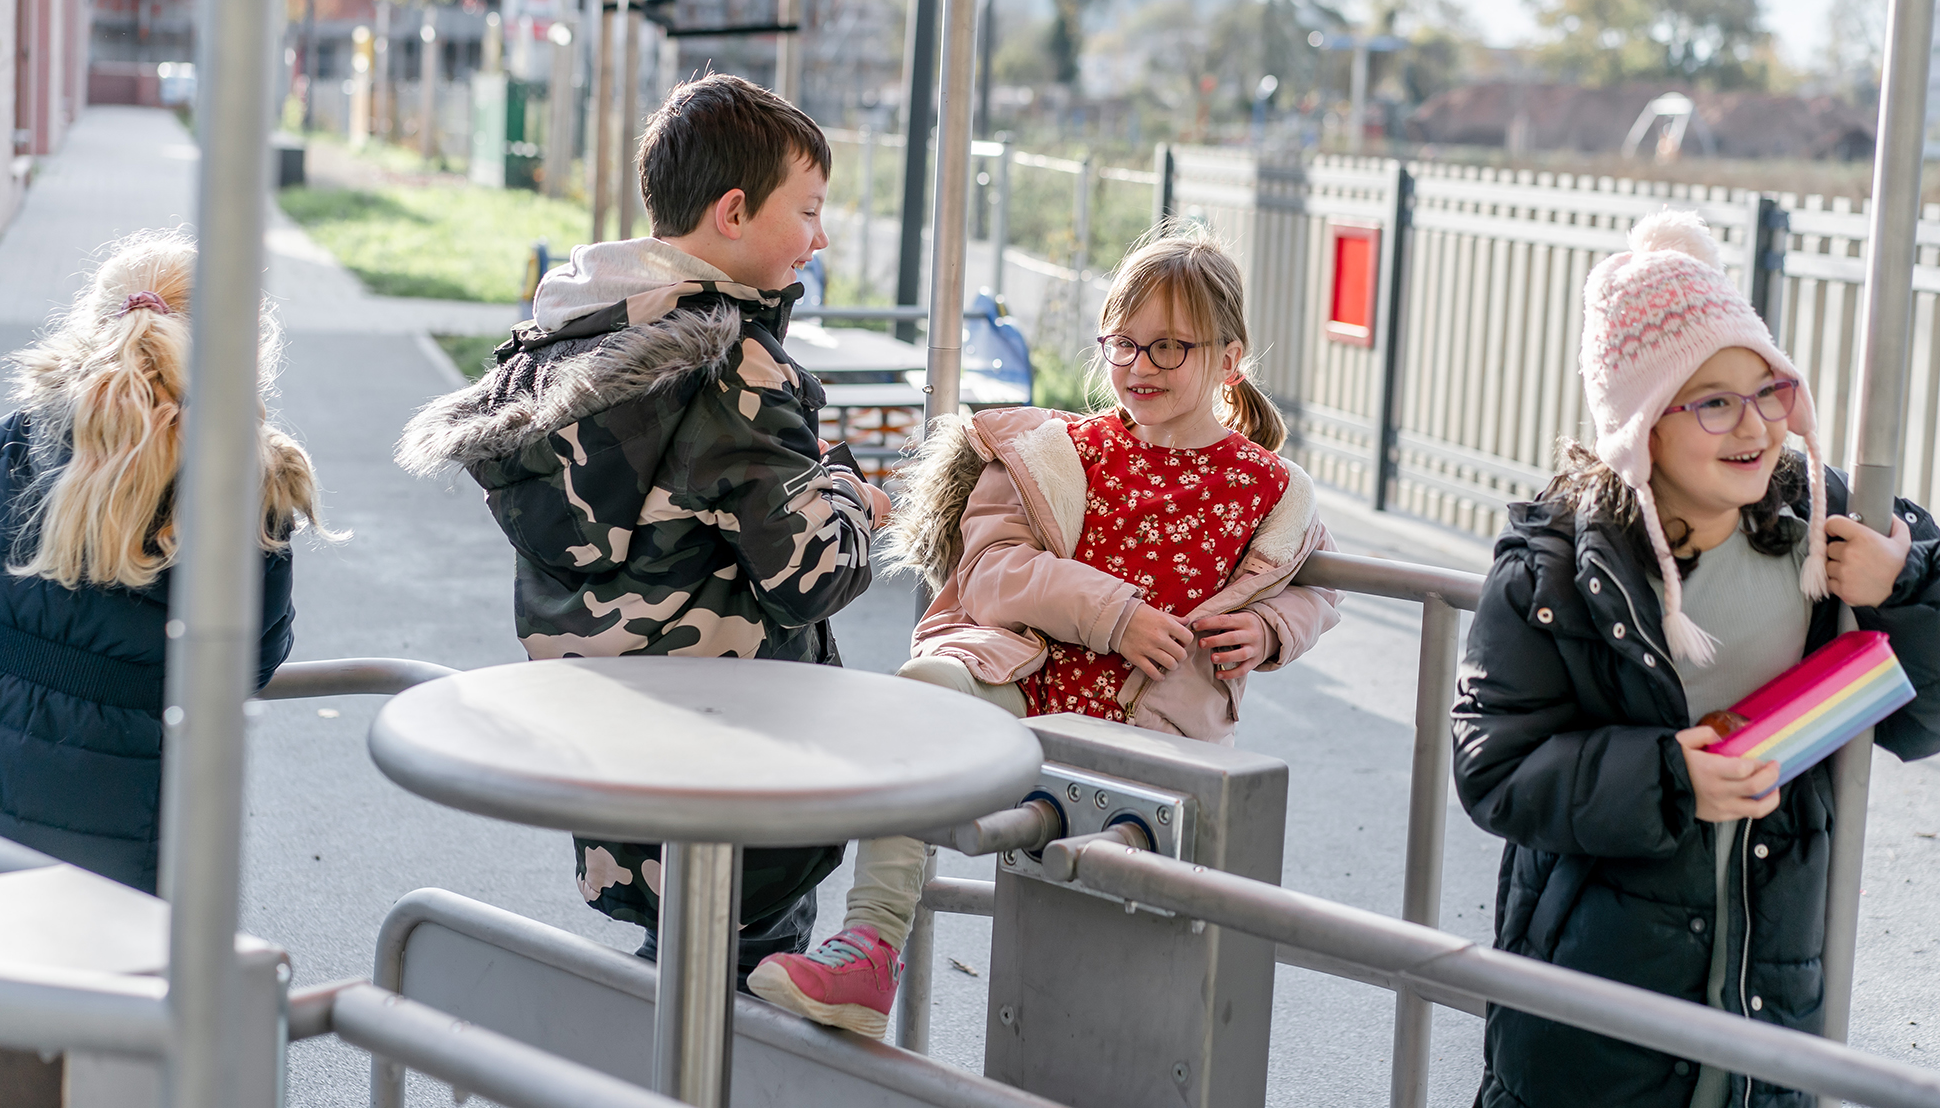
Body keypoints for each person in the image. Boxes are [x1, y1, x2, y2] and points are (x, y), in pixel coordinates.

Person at [748, 224, 1342, 1036]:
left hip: (1153, 729)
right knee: (922, 689)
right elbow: (988, 570)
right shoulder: (1059, 453)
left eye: (1169, 347)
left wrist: (1272, 628)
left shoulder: (1269, 489)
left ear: (1228, 359)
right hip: (1023, 685)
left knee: (1106, 992)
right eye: (1124, 344)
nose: (1138, 367)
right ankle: (871, 946)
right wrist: (1116, 615)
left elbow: (1313, 585)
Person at [396, 73, 891, 985]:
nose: (821, 237)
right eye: (810, 209)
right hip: (739, 769)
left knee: (670, 989)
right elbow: (807, 575)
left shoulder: (570, 346)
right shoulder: (734, 366)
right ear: (734, 211)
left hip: (619, 777)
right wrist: (856, 498)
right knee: (747, 1006)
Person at [1453, 211, 1940, 1108]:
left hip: (1768, 998)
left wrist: (1903, 580)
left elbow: (1922, 715)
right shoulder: (1556, 565)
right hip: (1594, 1011)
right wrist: (1669, 777)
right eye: (1714, 400)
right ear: (1641, 425)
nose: (1755, 424)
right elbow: (1494, 767)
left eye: (1768, 391)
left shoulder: (1826, 523)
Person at [0, 233, 329, 892]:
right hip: (122, 810)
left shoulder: (19, 438)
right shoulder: (249, 481)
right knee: (94, 985)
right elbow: (247, 662)